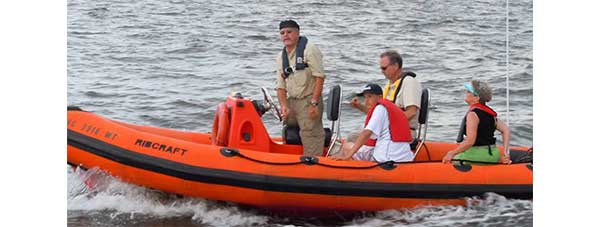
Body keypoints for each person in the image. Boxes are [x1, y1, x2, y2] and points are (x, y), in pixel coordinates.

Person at [275, 20, 326, 157]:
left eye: (289, 32)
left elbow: (319, 77)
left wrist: (314, 103)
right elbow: (280, 86)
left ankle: (313, 162)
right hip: (292, 101)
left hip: (309, 99)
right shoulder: (281, 57)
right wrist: (284, 106)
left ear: (297, 33)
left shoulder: (310, 50)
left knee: (310, 132)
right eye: (282, 33)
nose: (286, 35)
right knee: (285, 125)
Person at [331, 84, 414, 162]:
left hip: (387, 157)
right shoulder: (390, 107)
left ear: (380, 97)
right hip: (403, 155)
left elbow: (366, 133)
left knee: (346, 146)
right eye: (365, 97)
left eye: (370, 97)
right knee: (350, 142)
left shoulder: (380, 108)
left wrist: (348, 155)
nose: (366, 101)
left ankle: (338, 166)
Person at [350, 50, 422, 139]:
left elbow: (411, 112)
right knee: (353, 135)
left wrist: (385, 125)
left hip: (402, 132)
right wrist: (359, 106)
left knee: (354, 138)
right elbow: (379, 114)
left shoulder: (409, 82)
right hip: (386, 130)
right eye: (380, 68)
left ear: (395, 66)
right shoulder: (389, 85)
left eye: (384, 68)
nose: (382, 71)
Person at [442, 80, 512, 164]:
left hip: (478, 155)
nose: (466, 93)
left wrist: (452, 153)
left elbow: (470, 141)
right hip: (493, 154)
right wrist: (505, 153)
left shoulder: (473, 114)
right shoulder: (490, 114)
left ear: (477, 97)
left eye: (468, 92)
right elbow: (506, 130)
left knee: (448, 162)